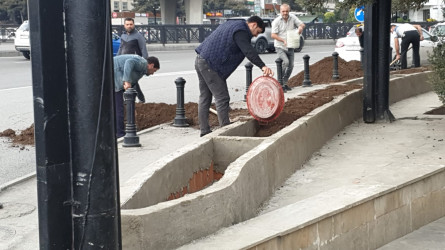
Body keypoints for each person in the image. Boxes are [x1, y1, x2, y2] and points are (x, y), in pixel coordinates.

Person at [195, 16, 274, 137]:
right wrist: (262, 66)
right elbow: (248, 50)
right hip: (211, 65)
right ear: (253, 25)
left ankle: (204, 131)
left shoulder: (234, 24)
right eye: (257, 32)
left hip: (201, 59)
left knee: (205, 97)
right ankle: (226, 132)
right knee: (222, 98)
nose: (255, 36)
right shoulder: (241, 31)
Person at [113, 55, 160, 138]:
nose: (152, 73)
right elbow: (129, 62)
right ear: (151, 65)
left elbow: (134, 84)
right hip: (114, 75)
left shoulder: (142, 71)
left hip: (115, 78)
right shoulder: (142, 63)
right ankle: (120, 134)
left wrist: (133, 101)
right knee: (119, 108)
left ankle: (116, 131)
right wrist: (126, 81)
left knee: (116, 107)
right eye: (154, 70)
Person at [271, 4, 305, 91]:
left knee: (291, 65)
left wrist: (300, 27)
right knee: (285, 62)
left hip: (290, 45)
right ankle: (279, 82)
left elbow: (302, 24)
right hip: (280, 46)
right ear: (280, 11)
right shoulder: (276, 21)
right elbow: (273, 35)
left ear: (289, 11)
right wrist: (283, 40)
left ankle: (284, 83)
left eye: (287, 11)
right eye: (283, 11)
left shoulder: (292, 17)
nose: (285, 13)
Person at [117, 17, 149, 103]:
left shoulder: (138, 36)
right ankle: (137, 100)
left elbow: (143, 50)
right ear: (124, 25)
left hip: (134, 64)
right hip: (123, 64)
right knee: (128, 82)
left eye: (131, 24)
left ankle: (133, 101)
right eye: (127, 24)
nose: (129, 26)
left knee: (131, 82)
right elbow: (120, 49)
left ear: (133, 25)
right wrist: (116, 59)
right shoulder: (123, 36)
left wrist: (145, 64)